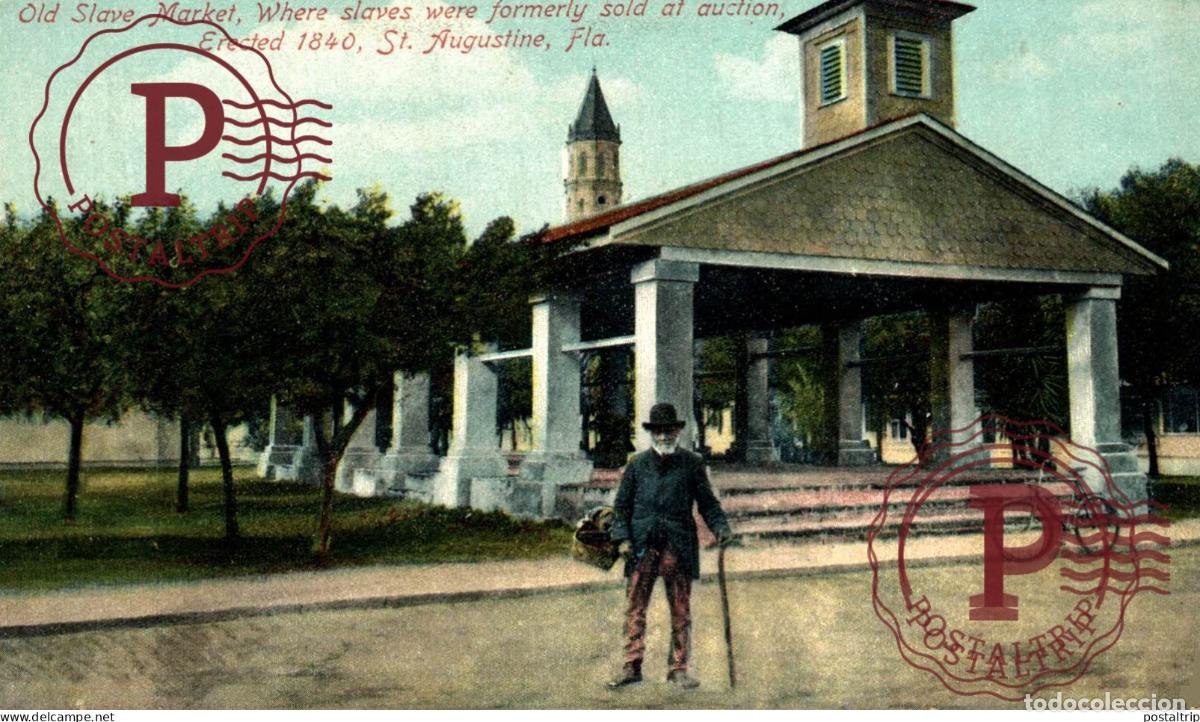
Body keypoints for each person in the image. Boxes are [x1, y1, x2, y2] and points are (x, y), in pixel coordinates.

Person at [607, 402, 734, 690]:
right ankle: (631, 666)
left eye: (670, 431)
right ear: (651, 434)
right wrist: (623, 539)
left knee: (680, 609)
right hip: (641, 548)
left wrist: (721, 527)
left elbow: (708, 504)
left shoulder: (692, 464)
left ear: (678, 431)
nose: (665, 436)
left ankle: (679, 668)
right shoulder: (636, 465)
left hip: (678, 546)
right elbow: (621, 507)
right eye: (659, 431)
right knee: (635, 608)